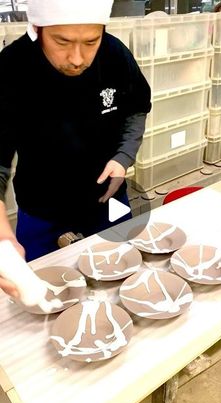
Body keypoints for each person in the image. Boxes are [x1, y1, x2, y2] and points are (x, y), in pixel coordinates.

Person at [0, 0, 151, 297]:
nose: (77, 58)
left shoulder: (115, 54)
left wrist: (124, 157)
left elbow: (137, 108)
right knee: (44, 296)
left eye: (91, 41)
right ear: (38, 29)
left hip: (109, 201)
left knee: (123, 282)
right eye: (62, 41)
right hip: (42, 211)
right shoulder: (12, 68)